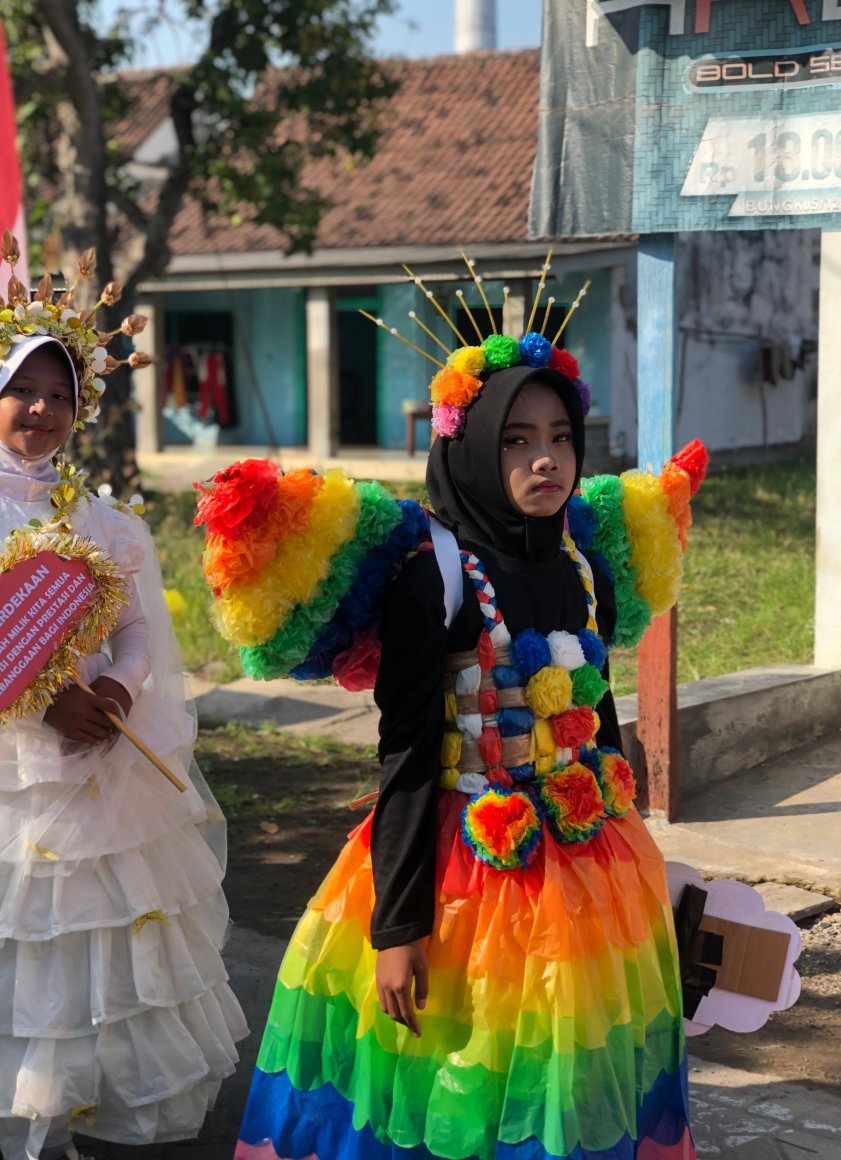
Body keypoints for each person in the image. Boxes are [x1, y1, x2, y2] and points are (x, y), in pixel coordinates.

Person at [233, 330, 698, 1158]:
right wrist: (396, 927)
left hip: (589, 865)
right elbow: (407, 756)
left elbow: (595, 707)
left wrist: (632, 842)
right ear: (473, 448)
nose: (544, 461)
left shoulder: (586, 563)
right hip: (462, 875)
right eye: (517, 441)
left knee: (567, 1067)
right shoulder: (434, 574)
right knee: (463, 1068)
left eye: (560, 439)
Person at [0, 303, 247, 1158]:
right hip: (15, 773)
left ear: (81, 408)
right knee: (27, 928)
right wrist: (40, 704)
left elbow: (139, 628)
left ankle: (99, 1101)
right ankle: (29, 1099)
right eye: (19, 390)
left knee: (104, 923)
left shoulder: (104, 520)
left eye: (56, 394)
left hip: (105, 760)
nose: (39, 410)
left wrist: (116, 685)